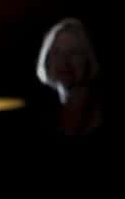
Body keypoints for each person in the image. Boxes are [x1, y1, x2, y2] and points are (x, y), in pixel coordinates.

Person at [33, 17, 112, 192]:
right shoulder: (38, 123)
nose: (63, 61)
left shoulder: (105, 116)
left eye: (74, 52)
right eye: (56, 52)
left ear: (90, 57)